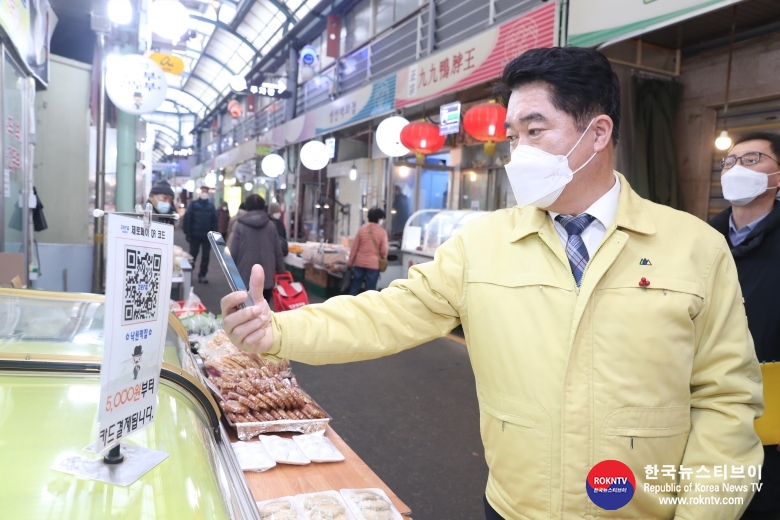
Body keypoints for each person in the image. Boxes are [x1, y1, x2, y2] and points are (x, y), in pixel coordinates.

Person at [220, 47, 763, 519]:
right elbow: (384, 314)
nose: (517, 150)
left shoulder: (695, 247)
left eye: (535, 129)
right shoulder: (482, 244)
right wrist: (280, 331)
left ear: (597, 134)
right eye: (512, 134)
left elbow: (727, 401)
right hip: (515, 507)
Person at [708, 131, 780, 519]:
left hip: (770, 422)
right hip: (702, 409)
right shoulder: (700, 240)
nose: (736, 168)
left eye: (752, 159)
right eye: (729, 161)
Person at [230, 194, 285, 303]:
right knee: (264, 306)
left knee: (245, 307)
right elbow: (278, 251)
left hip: (244, 273)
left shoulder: (240, 225)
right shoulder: (270, 225)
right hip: (266, 273)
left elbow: (234, 251)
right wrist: (281, 270)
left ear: (247, 208)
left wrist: (231, 272)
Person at [347, 208, 388, 295]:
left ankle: (349, 304)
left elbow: (354, 248)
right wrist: (383, 257)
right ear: (379, 219)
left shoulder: (361, 230)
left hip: (359, 263)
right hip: (373, 265)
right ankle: (368, 306)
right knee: (370, 289)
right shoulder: (382, 232)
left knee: (355, 285)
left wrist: (350, 263)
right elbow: (384, 251)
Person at [183, 186, 218, 283]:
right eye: (203, 191)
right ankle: (189, 274)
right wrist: (187, 232)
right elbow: (188, 218)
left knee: (205, 257)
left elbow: (214, 222)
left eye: (206, 191)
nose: (204, 193)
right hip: (195, 235)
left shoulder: (211, 207)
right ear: (200, 192)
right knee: (192, 256)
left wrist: (214, 234)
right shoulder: (193, 205)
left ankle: (202, 275)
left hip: (207, 236)